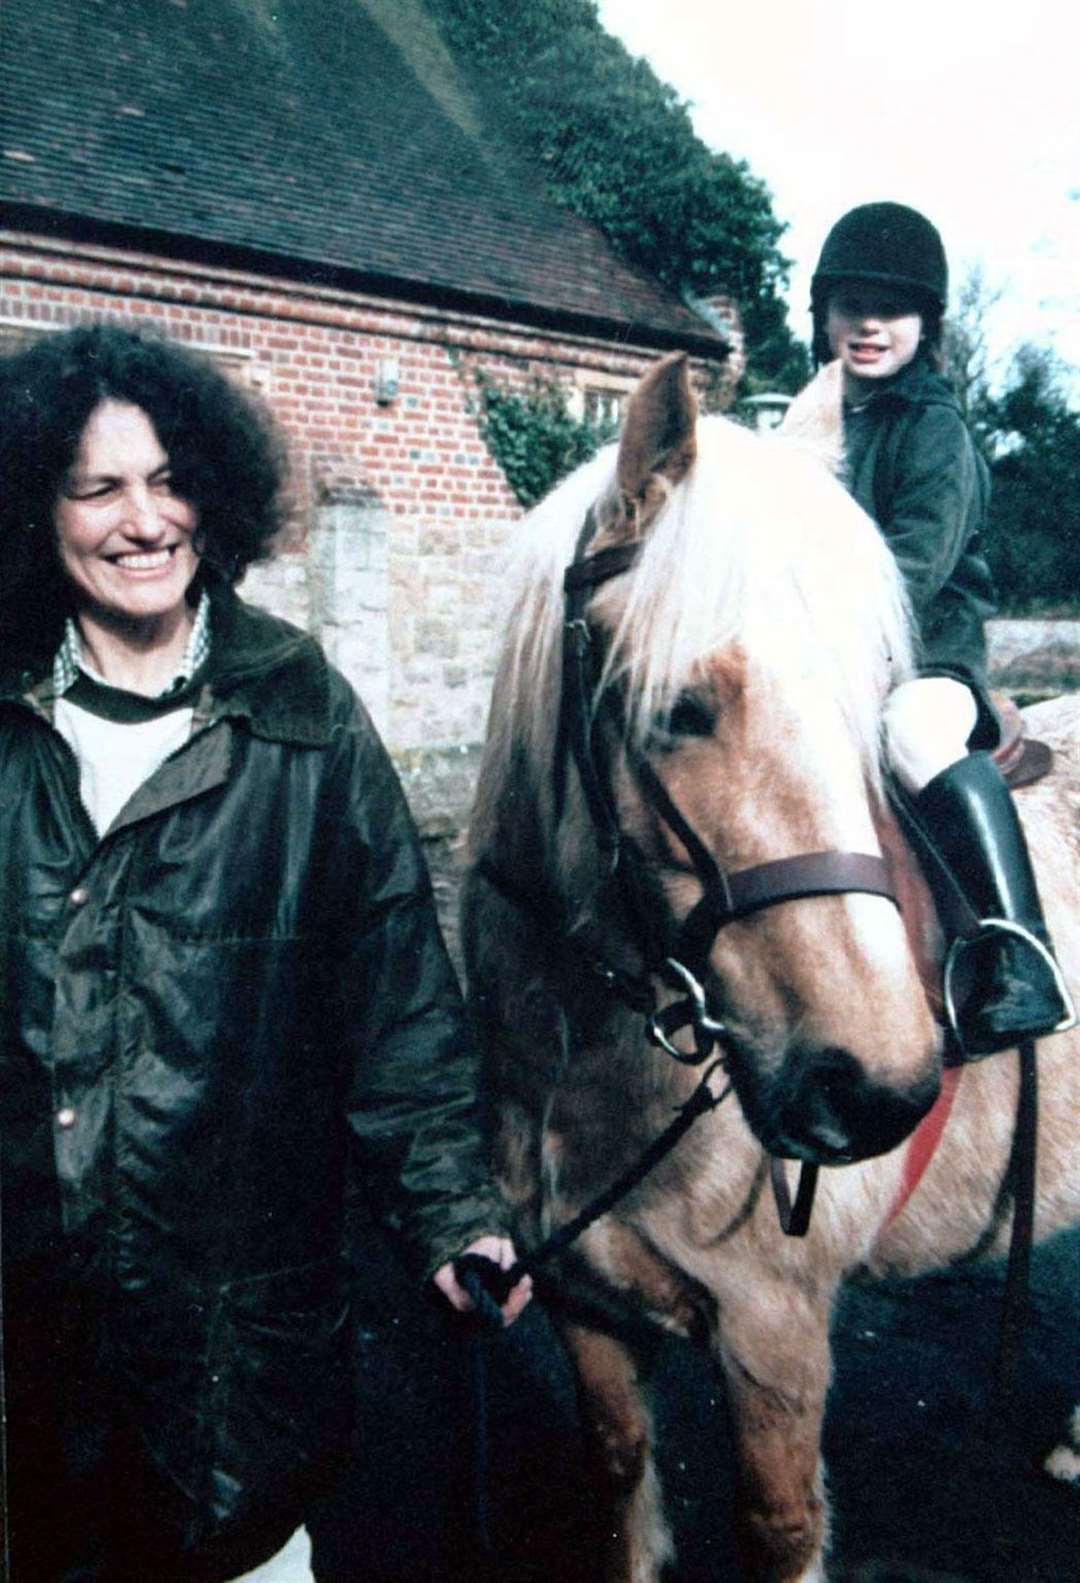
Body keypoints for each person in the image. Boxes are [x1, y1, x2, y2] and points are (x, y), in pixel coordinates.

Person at [0, 323, 530, 1582]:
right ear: (40, 510)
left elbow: (396, 995)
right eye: (99, 486)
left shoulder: (303, 714)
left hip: (228, 1348)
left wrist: (453, 1206)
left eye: (170, 478)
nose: (143, 520)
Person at [783, 201, 1073, 1056]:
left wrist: (823, 637)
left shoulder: (934, 428)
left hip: (926, 656)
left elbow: (913, 567)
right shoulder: (809, 421)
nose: (870, 324)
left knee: (910, 735)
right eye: (851, 306)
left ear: (924, 324)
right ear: (824, 317)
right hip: (825, 656)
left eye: (893, 310)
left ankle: (1023, 956)